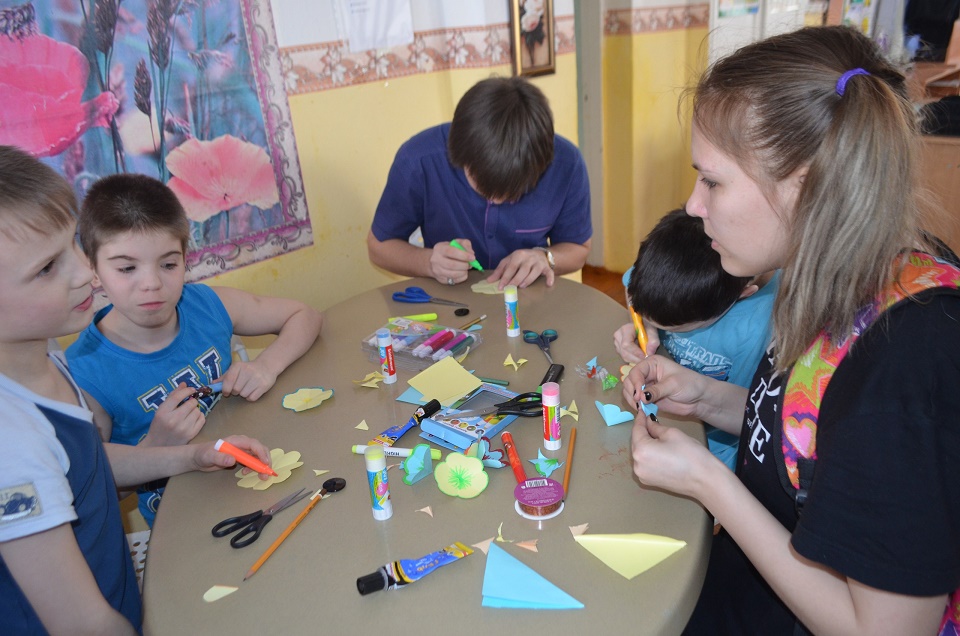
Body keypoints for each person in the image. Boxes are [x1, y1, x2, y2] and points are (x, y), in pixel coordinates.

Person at [623, 26, 960, 634]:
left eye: (712, 181)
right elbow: (818, 438)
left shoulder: (905, 367)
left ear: (805, 186)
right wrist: (708, 400)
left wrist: (709, 482)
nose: (694, 206)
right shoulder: (841, 274)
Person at [0, 145, 274, 634]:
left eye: (72, 248)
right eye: (46, 268)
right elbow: (84, 624)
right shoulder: (11, 445)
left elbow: (86, 465)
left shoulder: (48, 365)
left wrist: (192, 456)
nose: (84, 273)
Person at [66, 173, 322, 526]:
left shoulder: (207, 305)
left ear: (186, 258)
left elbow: (305, 315)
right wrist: (156, 443)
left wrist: (266, 365)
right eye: (127, 268)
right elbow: (96, 487)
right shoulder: (84, 371)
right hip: (184, 525)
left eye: (168, 264)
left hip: (257, 481)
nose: (152, 283)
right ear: (92, 269)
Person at [367, 76, 592, 289]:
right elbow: (379, 247)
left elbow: (579, 249)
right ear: (458, 155)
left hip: (530, 301)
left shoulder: (567, 164)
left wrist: (546, 257)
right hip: (449, 304)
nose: (496, 200)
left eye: (514, 192)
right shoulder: (418, 160)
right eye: (482, 187)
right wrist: (428, 262)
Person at [612, 208, 779, 470]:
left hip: (716, 448)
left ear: (743, 295)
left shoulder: (759, 329)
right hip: (670, 415)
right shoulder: (672, 260)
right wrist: (645, 326)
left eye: (676, 328)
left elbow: (748, 413)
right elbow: (630, 286)